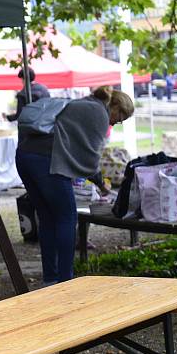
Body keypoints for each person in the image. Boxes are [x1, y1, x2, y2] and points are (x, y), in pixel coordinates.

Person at [15, 86, 134, 285]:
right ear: (116, 107)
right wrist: (101, 184)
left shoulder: (84, 103)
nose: (117, 122)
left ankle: (50, 279)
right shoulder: (99, 113)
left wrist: (98, 181)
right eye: (120, 117)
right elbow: (90, 156)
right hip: (47, 161)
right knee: (67, 218)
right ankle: (65, 280)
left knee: (47, 218)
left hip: (25, 156)